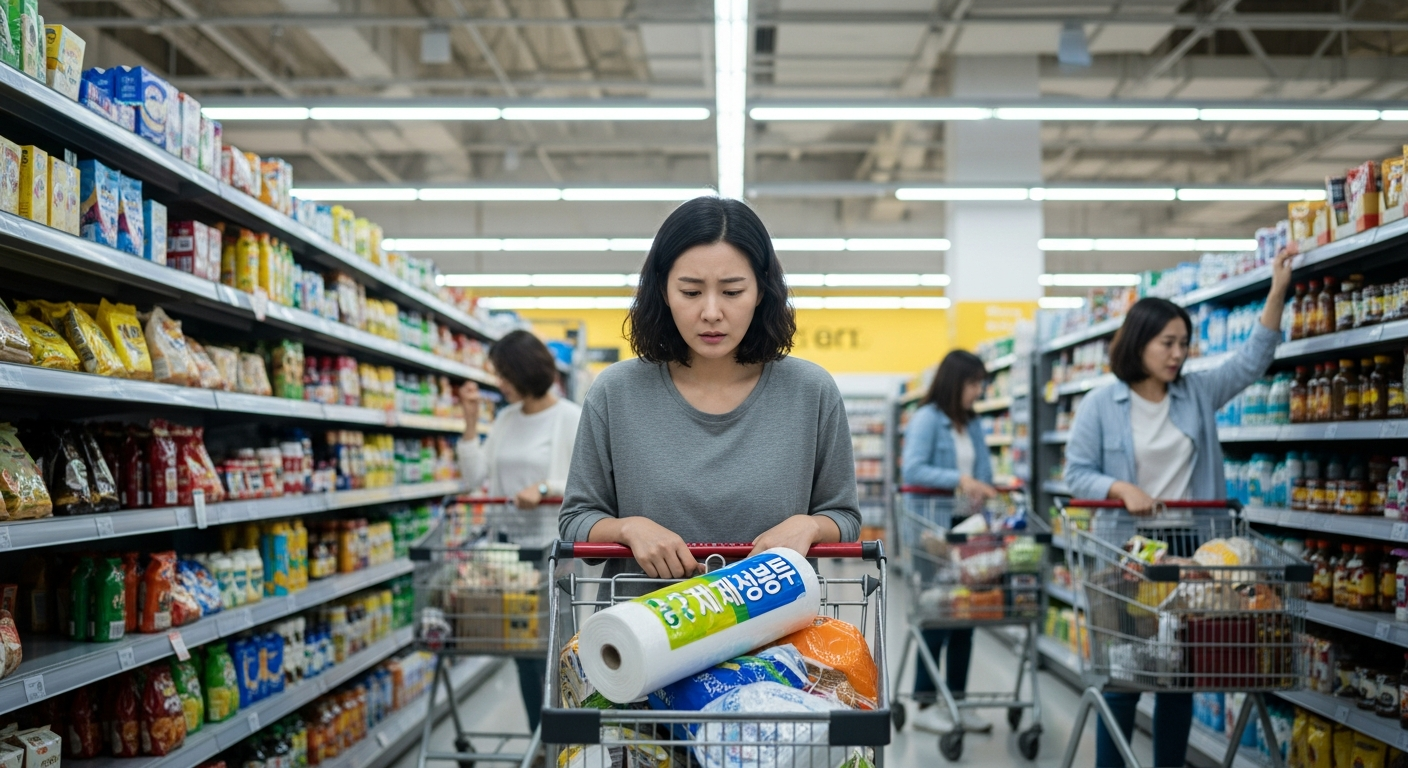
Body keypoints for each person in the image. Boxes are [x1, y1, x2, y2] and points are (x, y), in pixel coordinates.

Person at [1064, 249, 1293, 768]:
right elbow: (1076, 473)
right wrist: (1120, 487)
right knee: (1125, 677)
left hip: (1193, 552)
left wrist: (1277, 290)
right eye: (1167, 342)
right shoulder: (1101, 404)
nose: (1177, 353)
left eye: (1184, 343)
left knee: (1181, 677)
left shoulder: (1197, 393)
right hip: (1126, 552)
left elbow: (1252, 362)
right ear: (1139, 342)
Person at [559, 196, 861, 589]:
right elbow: (576, 520)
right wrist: (627, 528)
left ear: (762, 291)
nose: (712, 312)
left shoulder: (811, 392)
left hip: (776, 622)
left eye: (732, 292)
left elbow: (844, 517)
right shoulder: (616, 392)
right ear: (663, 291)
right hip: (640, 623)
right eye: (691, 292)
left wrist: (809, 526)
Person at [456, 329, 582, 733]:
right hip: (509, 551)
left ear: (526, 370)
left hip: (552, 551)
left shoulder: (569, 417)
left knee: (557, 651)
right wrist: (470, 423)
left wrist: (545, 489)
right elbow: (474, 478)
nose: (500, 383)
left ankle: (562, 738)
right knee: (523, 651)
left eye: (504, 373)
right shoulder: (506, 419)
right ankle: (540, 739)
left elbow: (586, 483)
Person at [900, 349, 999, 735]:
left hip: (967, 529)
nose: (978, 391)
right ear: (955, 382)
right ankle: (926, 703)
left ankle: (958, 700)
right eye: (973, 383)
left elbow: (983, 470)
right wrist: (960, 480)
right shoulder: (927, 418)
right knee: (939, 613)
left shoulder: (971, 424)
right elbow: (912, 469)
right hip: (933, 533)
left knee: (967, 617)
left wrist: (987, 489)